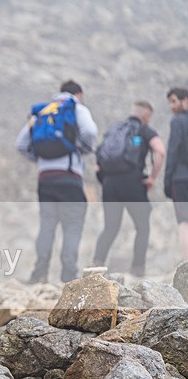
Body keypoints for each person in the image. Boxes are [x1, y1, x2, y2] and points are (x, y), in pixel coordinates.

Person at [16, 80, 98, 283]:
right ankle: (68, 276)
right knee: (72, 224)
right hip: (70, 176)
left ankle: (39, 273)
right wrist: (81, 149)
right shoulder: (76, 108)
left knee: (47, 224)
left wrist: (41, 160)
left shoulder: (45, 110)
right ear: (78, 94)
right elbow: (90, 131)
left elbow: (21, 144)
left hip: (45, 178)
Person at [92, 101, 165, 275]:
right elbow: (160, 151)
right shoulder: (144, 130)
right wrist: (153, 177)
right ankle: (138, 269)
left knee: (110, 226)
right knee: (142, 226)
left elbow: (97, 163)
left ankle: (96, 265)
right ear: (146, 116)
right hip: (132, 182)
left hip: (109, 184)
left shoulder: (114, 130)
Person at [164, 87, 188, 260]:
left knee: (184, 222)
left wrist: (167, 179)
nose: (171, 106)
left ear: (184, 100)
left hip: (180, 178)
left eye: (174, 101)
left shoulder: (177, 121)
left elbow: (172, 151)